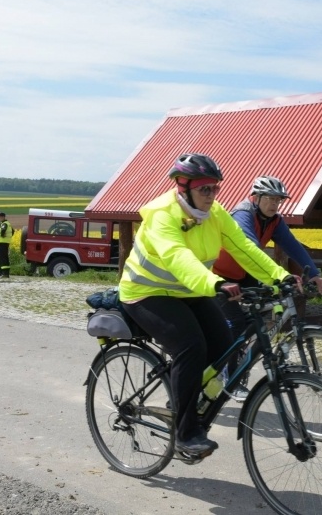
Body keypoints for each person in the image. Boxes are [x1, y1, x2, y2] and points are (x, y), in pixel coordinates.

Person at [118, 153, 298, 460]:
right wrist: (214, 283)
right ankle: (185, 434)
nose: (212, 196)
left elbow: (243, 248)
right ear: (183, 187)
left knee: (224, 344)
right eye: (205, 190)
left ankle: (185, 400)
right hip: (146, 292)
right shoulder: (164, 214)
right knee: (191, 345)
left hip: (190, 290)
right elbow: (177, 256)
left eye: (215, 189)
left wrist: (280, 276)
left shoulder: (215, 214)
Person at [212, 175, 322, 398]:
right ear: (256, 197)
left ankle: (240, 353)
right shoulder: (242, 214)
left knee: (258, 321)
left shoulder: (275, 220)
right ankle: (230, 376)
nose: (274, 204)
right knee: (236, 322)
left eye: (278, 200)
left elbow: (293, 246)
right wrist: (279, 278)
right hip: (222, 275)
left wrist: (314, 274)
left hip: (248, 274)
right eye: (270, 199)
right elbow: (250, 248)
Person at [0, 212, 13, 278]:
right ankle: (5, 273)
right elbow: (12, 231)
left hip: (2, 243)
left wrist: (2, 236)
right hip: (4, 242)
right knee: (4, 258)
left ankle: (4, 274)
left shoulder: (4, 224)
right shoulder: (7, 223)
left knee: (2, 258)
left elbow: (3, 231)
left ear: (3, 217)